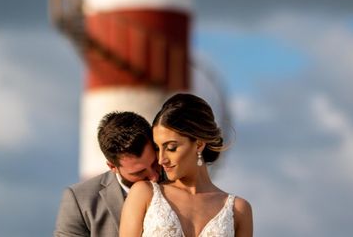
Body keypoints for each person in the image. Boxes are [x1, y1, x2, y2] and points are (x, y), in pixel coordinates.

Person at [119, 93, 253, 237]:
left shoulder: (238, 210)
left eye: (171, 148)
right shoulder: (145, 194)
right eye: (158, 148)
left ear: (199, 144)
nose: (161, 159)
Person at [55, 111, 162, 237]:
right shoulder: (79, 200)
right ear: (112, 167)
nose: (154, 177)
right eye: (139, 172)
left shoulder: (184, 181)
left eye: (155, 162)